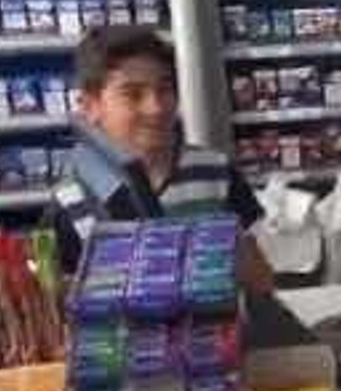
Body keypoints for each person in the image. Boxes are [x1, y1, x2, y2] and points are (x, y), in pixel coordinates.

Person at [46, 25, 274, 292]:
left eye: (164, 89)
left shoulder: (217, 172)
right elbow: (62, 298)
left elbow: (262, 281)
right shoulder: (73, 198)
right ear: (90, 106)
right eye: (132, 94)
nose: (155, 107)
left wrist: (235, 263)